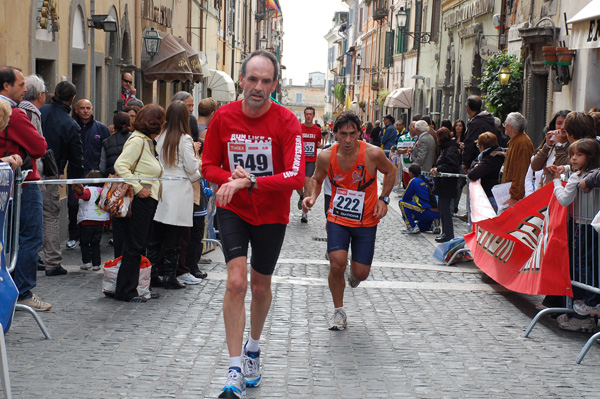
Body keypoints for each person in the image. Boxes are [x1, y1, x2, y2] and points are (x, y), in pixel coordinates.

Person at [201, 50, 304, 398]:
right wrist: (231, 177)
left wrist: (252, 181)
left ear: (274, 83)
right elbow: (208, 166)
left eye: (265, 81)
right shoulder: (223, 117)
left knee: (260, 287)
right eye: (252, 79)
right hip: (233, 208)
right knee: (235, 282)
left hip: (272, 213)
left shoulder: (287, 122)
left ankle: (253, 349)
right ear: (241, 80)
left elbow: (295, 175)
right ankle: (233, 369)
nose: (258, 87)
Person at [302, 111, 396, 330]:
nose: (347, 140)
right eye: (342, 134)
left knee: (360, 273)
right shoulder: (326, 155)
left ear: (359, 133)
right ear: (334, 133)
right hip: (338, 218)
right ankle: (338, 312)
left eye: (352, 134)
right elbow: (317, 178)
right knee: (336, 263)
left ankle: (355, 273)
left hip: (366, 221)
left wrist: (383, 199)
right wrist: (312, 197)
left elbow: (391, 172)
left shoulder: (373, 154)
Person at [0, 66, 49, 310]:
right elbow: (40, 147)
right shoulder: (14, 114)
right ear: (6, 86)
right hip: (21, 182)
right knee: (31, 236)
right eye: (20, 85)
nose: (25, 89)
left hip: (7, 181)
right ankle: (23, 292)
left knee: (7, 239)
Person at [147, 100, 201, 289]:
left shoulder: (160, 136)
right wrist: (199, 168)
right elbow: (192, 168)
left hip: (161, 188)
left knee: (157, 236)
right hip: (178, 192)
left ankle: (153, 273)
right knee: (175, 237)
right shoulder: (184, 139)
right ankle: (169, 275)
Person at [113, 104, 165, 303]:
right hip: (140, 200)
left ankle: (133, 287)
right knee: (134, 246)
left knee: (139, 245)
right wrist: (137, 188)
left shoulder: (148, 141)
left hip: (147, 199)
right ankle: (126, 290)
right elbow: (121, 165)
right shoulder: (137, 141)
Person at [547, 138, 600, 331]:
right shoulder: (583, 173)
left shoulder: (578, 178)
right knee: (589, 263)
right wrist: (566, 170)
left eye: (579, 155)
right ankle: (588, 301)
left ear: (590, 156)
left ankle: (589, 300)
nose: (574, 158)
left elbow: (563, 199)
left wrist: (556, 182)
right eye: (572, 155)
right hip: (591, 225)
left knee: (581, 265)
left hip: (584, 225)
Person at [41, 81, 84, 254]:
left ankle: (32, 258)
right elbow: (76, 157)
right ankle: (52, 260)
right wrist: (77, 181)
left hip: (29, 171)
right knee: (50, 216)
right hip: (51, 173)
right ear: (72, 99)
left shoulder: (40, 111)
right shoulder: (70, 124)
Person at [100, 111, 131, 258]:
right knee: (133, 224)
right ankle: (132, 258)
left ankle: (118, 257)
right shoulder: (134, 140)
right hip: (132, 186)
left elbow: (101, 166)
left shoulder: (107, 142)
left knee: (118, 224)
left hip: (116, 186)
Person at [73, 170, 109, 271]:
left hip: (86, 222)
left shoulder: (88, 190)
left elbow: (83, 195)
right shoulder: (103, 191)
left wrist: (79, 189)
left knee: (84, 243)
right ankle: (96, 264)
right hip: (100, 222)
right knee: (96, 244)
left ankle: (87, 262)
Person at [430, 127, 460, 243]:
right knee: (443, 209)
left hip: (447, 185)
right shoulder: (447, 149)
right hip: (444, 184)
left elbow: (453, 166)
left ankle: (448, 234)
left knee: (445, 210)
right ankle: (446, 233)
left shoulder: (450, 149)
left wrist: (439, 169)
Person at [501, 112, 534, 207]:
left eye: (505, 124)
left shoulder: (522, 143)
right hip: (511, 194)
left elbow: (521, 172)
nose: (504, 127)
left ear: (509, 127)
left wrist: (514, 196)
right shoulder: (517, 141)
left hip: (516, 198)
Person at [530, 110, 571, 188]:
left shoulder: (572, 146)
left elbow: (561, 167)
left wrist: (559, 145)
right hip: (545, 190)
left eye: (566, 124)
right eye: (559, 123)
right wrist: (547, 146)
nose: (562, 127)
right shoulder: (552, 145)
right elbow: (535, 166)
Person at [467, 132, 505, 212]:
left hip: (491, 195)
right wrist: (476, 164)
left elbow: (472, 174)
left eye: (478, 146)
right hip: (495, 193)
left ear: (482, 146)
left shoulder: (491, 158)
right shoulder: (494, 153)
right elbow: (475, 162)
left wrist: (476, 165)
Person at [461, 95, 500, 172]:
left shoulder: (475, 123)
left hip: (478, 164)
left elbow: (470, 144)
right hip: (491, 162)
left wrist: (467, 163)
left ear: (468, 107)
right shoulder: (489, 121)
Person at [297, 106, 322, 223]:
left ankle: (304, 212)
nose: (308, 116)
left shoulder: (317, 130)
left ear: (313, 116)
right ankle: (302, 196)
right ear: (304, 115)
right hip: (299, 159)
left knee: (307, 183)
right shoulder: (298, 128)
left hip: (311, 160)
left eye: (310, 114)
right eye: (306, 114)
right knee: (297, 184)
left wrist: (320, 146)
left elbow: (317, 143)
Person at [399, 163, 439, 234]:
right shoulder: (426, 179)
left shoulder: (414, 181)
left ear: (411, 173)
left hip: (426, 211)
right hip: (437, 212)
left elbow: (405, 197)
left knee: (402, 203)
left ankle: (411, 227)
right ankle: (433, 226)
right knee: (420, 227)